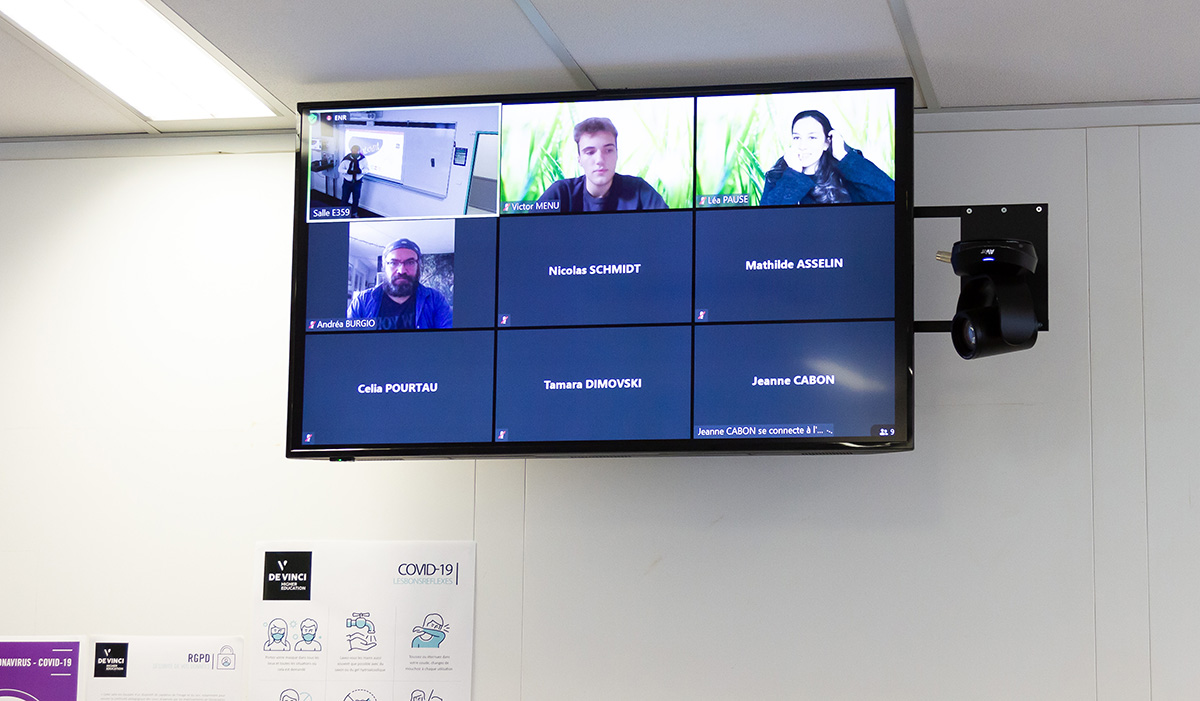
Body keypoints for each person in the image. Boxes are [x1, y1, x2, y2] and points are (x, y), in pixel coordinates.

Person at [760, 110, 895, 206]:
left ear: (827, 142)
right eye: (797, 137)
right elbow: (765, 221)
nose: (802, 146)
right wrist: (793, 174)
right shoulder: (778, 175)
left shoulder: (846, 173)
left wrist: (843, 156)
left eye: (812, 137)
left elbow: (892, 195)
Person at [537, 117, 668, 212]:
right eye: (590, 152)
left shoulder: (639, 191)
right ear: (579, 159)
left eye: (608, 150)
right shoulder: (561, 193)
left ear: (616, 154)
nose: (599, 159)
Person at [347, 238, 452, 329]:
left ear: (418, 266)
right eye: (393, 263)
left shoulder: (435, 299)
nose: (401, 270)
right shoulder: (362, 301)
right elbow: (349, 340)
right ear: (384, 267)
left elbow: (448, 338)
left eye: (410, 262)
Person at [339, 144, 368, 216]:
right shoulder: (346, 159)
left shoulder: (363, 159)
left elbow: (367, 169)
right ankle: (343, 213)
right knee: (345, 198)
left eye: (356, 151)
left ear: (359, 151)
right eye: (353, 151)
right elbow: (340, 169)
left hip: (357, 182)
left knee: (356, 198)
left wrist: (361, 171)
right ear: (351, 151)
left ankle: (354, 213)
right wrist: (347, 171)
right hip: (347, 182)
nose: (355, 153)